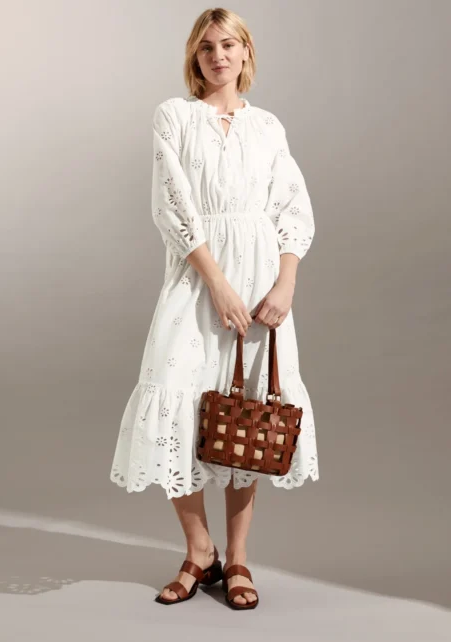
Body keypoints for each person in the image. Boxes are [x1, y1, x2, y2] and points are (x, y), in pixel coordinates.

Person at [110, 8, 319, 609]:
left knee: (250, 415)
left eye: (229, 44)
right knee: (177, 403)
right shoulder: (175, 117)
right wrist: (219, 286)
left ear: (246, 52)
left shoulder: (268, 127)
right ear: (194, 58)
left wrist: (285, 284)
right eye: (206, 47)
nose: (218, 56)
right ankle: (199, 550)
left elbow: (292, 208)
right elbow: (171, 205)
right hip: (200, 277)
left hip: (261, 285)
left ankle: (240, 558)